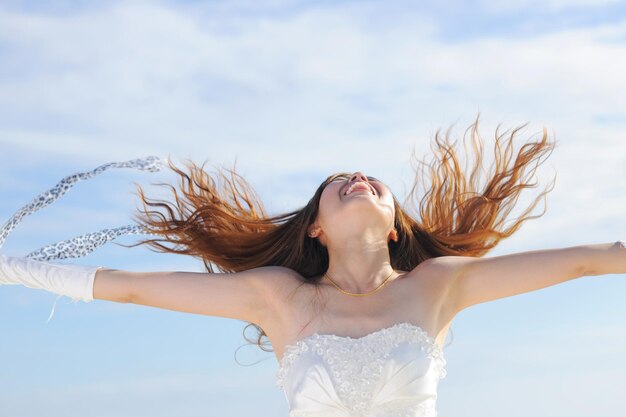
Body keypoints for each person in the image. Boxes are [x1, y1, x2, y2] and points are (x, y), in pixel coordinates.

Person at [2, 115, 626, 417]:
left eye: (372, 181)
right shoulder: (278, 297)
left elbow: (589, 264)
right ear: (317, 227)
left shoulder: (439, 285)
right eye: (339, 181)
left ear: (397, 223)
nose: (358, 178)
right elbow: (130, 289)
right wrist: (9, 270)